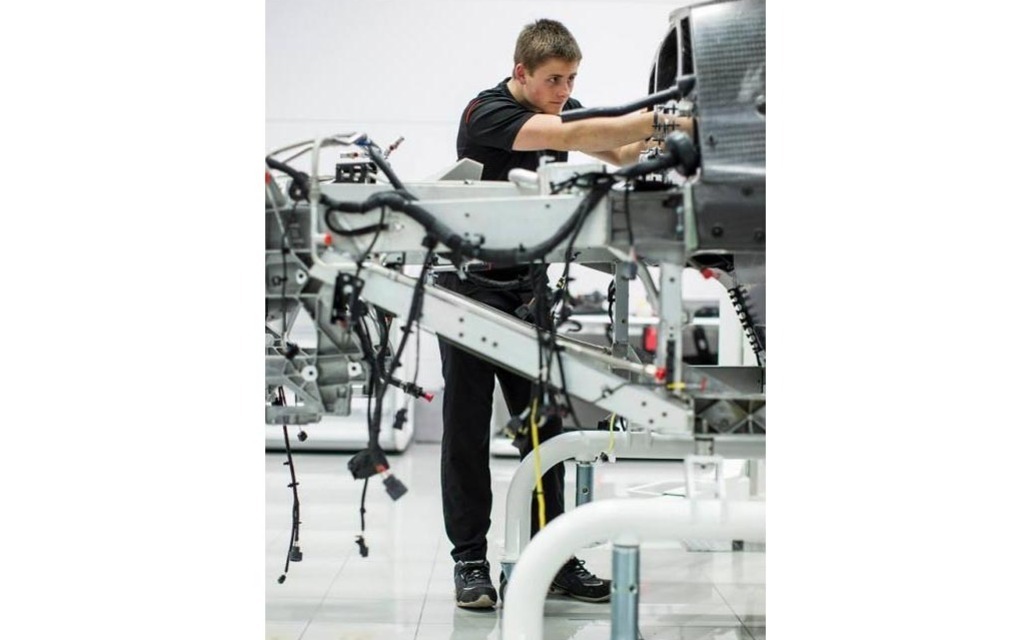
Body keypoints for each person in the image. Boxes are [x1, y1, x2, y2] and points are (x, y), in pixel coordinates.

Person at [436, 18, 695, 609]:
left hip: (527, 289)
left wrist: (667, 141)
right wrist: (668, 116)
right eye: (554, 79)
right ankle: (470, 561)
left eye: (572, 79)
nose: (563, 90)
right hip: (468, 289)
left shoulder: (563, 110)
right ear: (521, 72)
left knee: (545, 429)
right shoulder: (488, 113)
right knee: (466, 432)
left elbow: (618, 146)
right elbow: (587, 133)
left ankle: (549, 558)